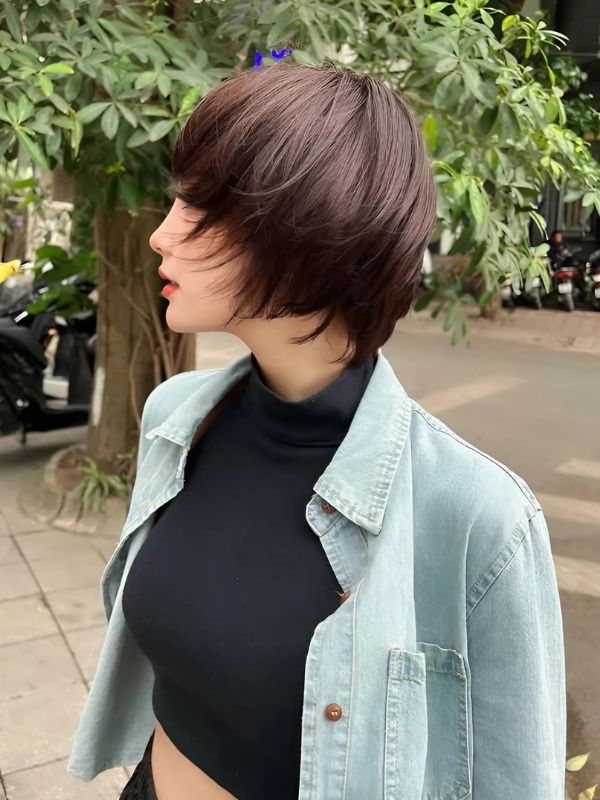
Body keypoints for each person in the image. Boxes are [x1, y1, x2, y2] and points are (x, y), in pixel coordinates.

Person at [66, 61, 566, 800]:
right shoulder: (176, 418)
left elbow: (513, 780)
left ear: (313, 236)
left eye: (202, 209)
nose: (162, 235)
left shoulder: (480, 519)